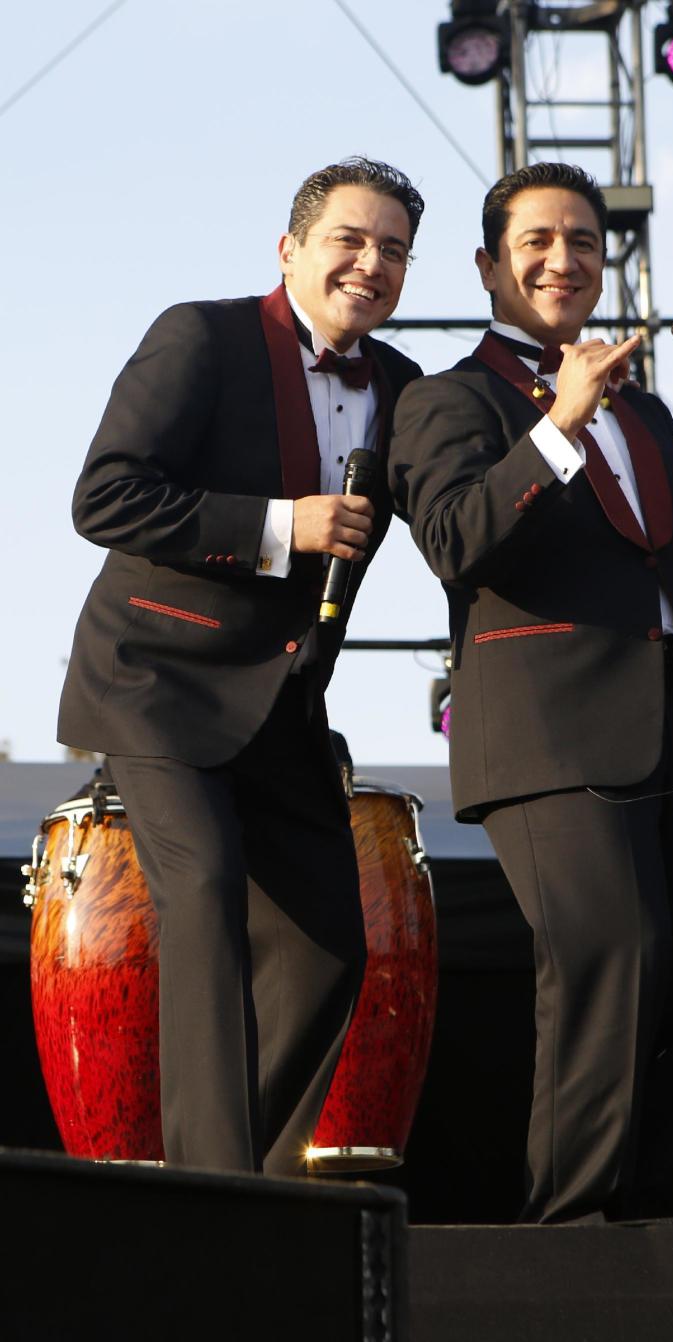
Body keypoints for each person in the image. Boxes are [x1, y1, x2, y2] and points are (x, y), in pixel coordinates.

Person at [389, 161, 673, 1224]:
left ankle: (632, 1208)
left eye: (582, 241)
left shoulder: (647, 413)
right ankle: (563, 1231)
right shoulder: (447, 399)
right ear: (488, 265)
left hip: (670, 726)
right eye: (536, 241)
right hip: (549, 734)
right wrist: (556, 427)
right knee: (615, 956)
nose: (563, 259)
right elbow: (455, 540)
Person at [58, 157, 423, 1176]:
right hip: (155, 678)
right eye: (350, 238)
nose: (371, 262)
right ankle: (211, 1193)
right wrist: (280, 526)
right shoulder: (202, 336)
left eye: (393, 249)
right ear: (291, 249)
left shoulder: (401, 388)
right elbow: (106, 497)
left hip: (283, 702)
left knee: (328, 949)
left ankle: (231, 1179)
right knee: (208, 889)